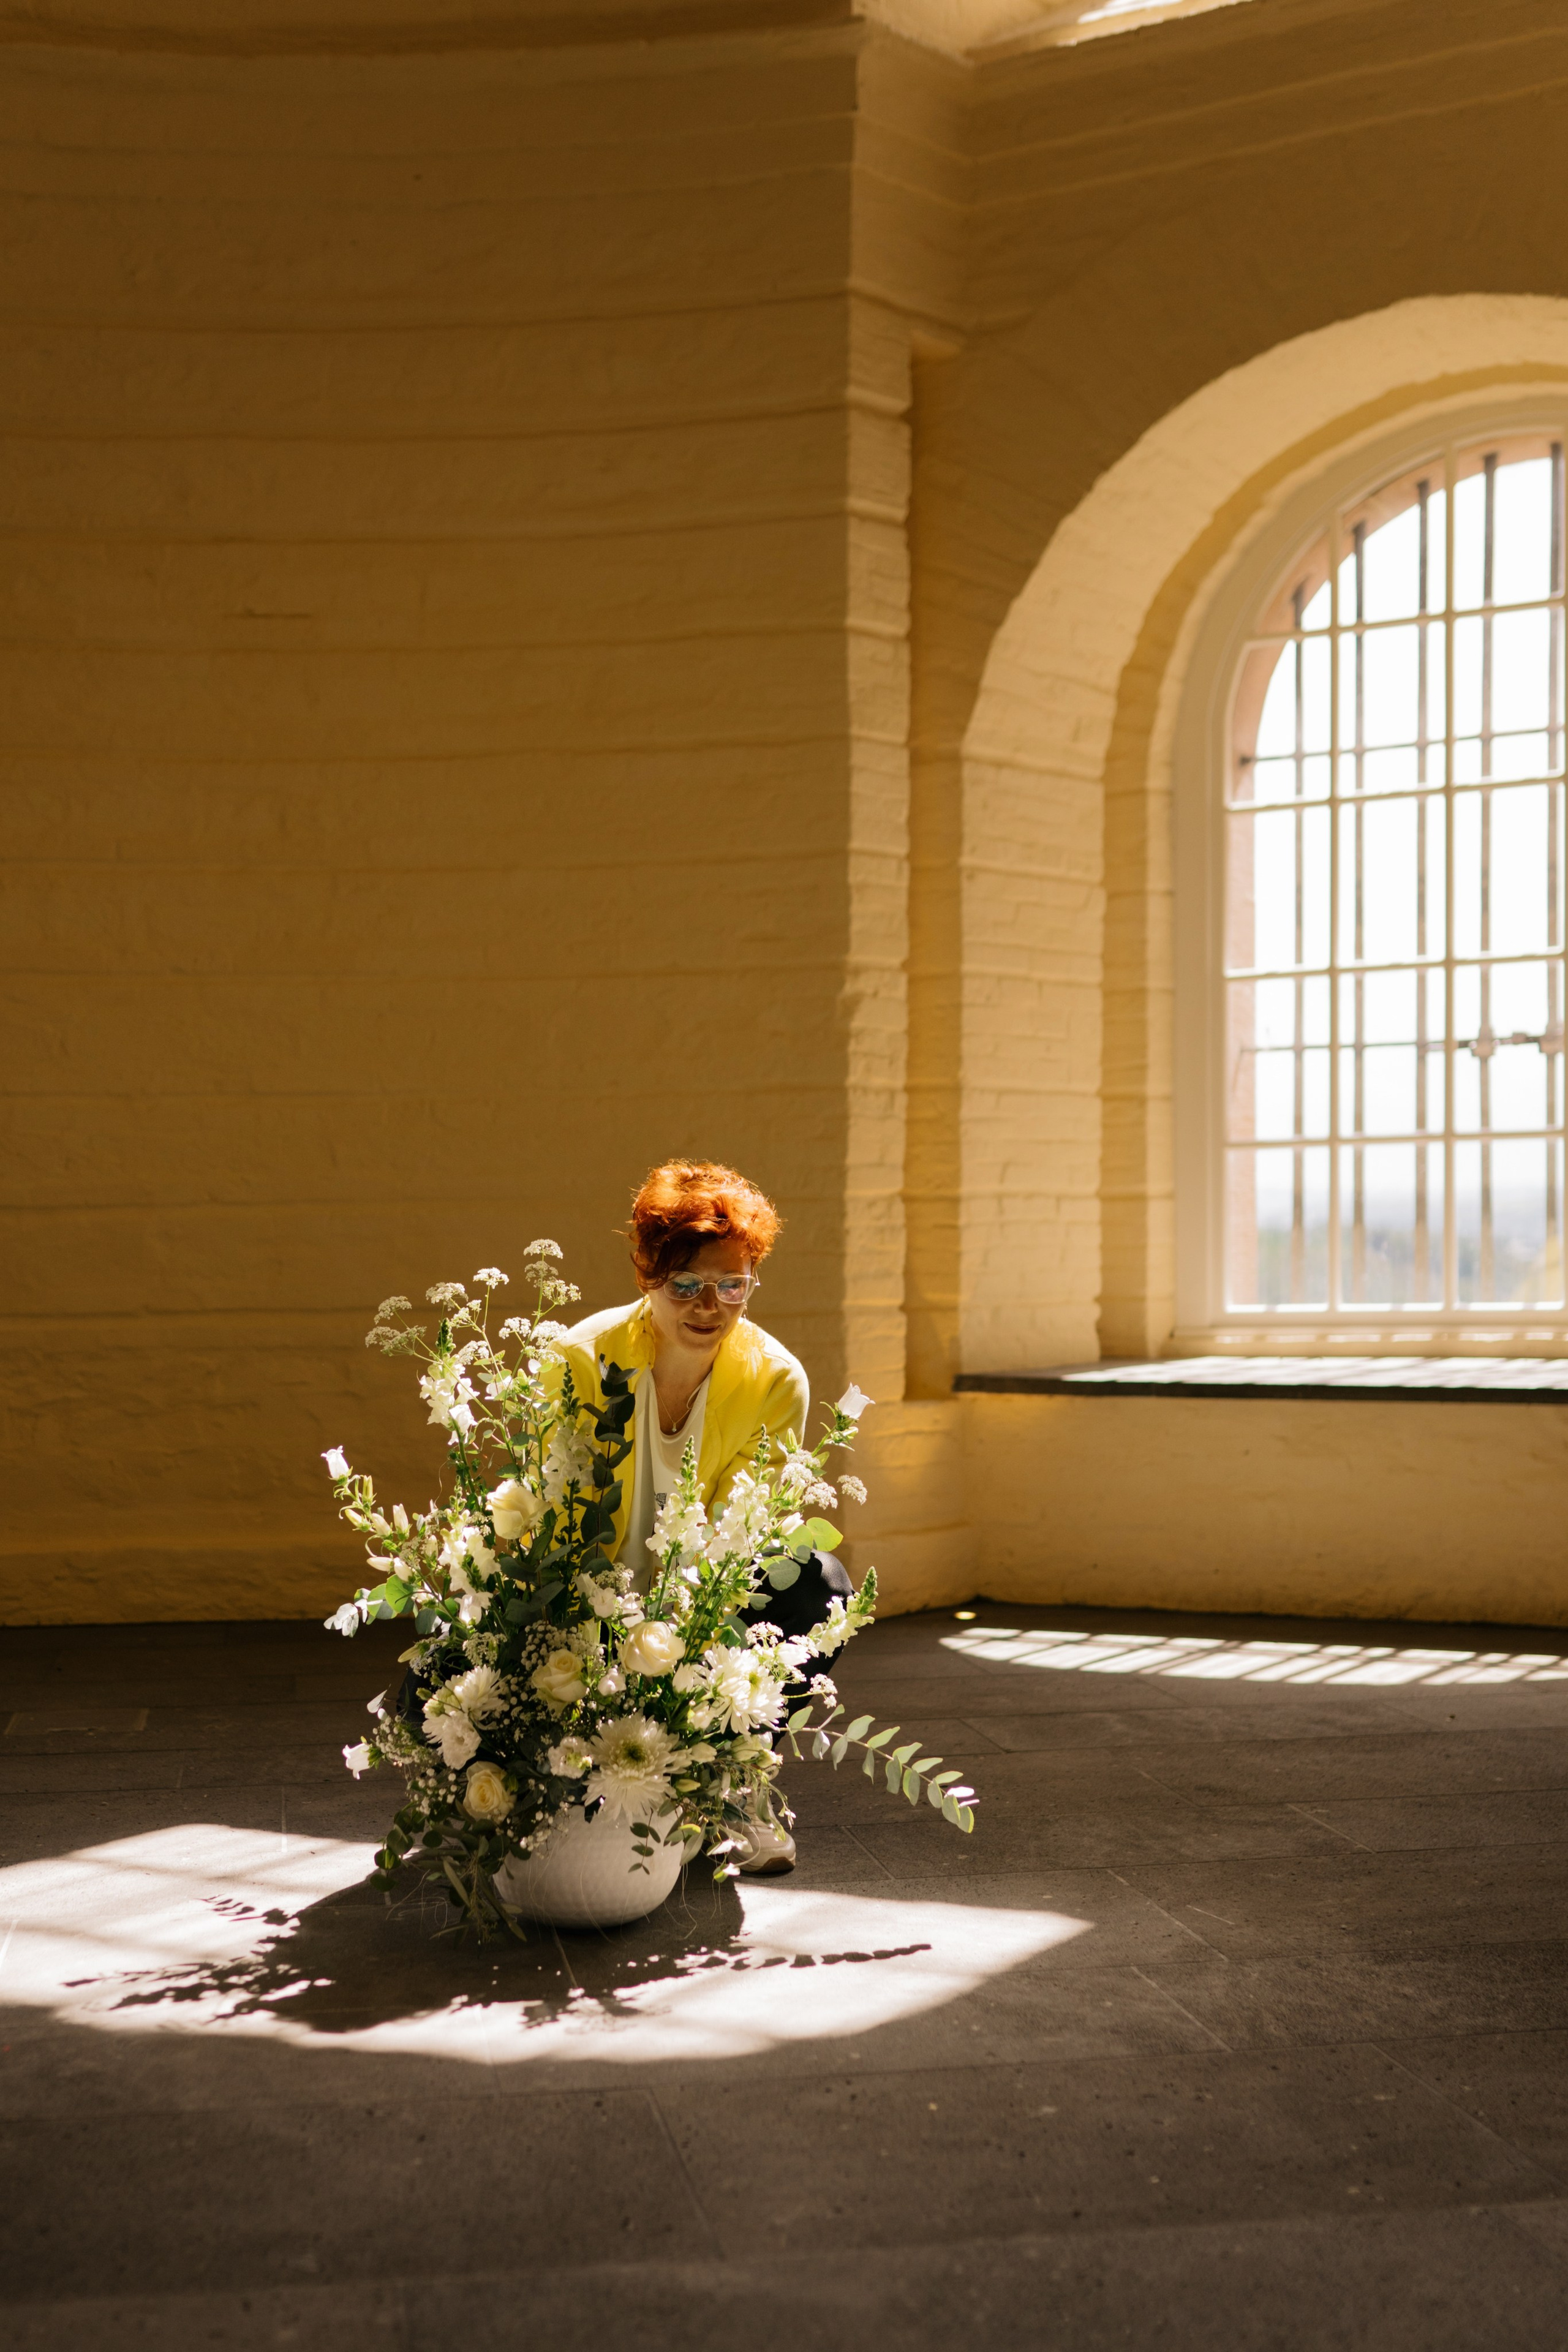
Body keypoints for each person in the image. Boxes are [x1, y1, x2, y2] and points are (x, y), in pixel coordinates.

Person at [555, 1159, 851, 1874]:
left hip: (703, 1600)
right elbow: (553, 1522)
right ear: (647, 1275)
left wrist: (686, 1644)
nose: (708, 1306)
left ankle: (735, 1776)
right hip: (583, 1593)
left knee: (821, 1581)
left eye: (731, 1286)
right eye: (686, 1284)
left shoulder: (775, 1379)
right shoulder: (580, 1359)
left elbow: (742, 1536)